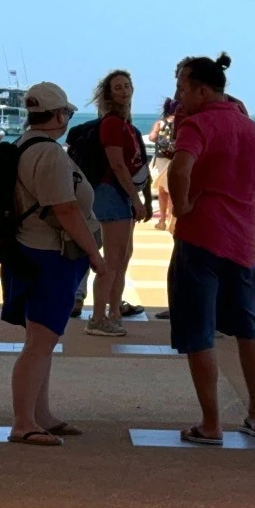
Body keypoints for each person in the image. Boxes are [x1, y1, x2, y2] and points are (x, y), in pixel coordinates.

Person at [167, 52, 255, 445]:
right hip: (243, 242)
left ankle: (211, 422)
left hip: (201, 238)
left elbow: (179, 168)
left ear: (201, 90)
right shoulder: (253, 131)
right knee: (249, 328)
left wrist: (181, 207)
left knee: (198, 330)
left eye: (182, 88)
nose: (178, 96)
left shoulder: (197, 125)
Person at [2, 82, 104, 446]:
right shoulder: (48, 153)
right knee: (39, 344)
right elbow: (66, 209)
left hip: (31, 250)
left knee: (40, 341)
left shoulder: (24, 145)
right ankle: (23, 422)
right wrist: (95, 253)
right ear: (59, 115)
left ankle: (39, 414)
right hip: (50, 255)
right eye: (68, 113)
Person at [86, 69, 150, 337]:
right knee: (112, 260)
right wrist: (136, 199)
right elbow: (117, 164)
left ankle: (113, 312)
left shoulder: (127, 125)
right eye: (118, 87)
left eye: (126, 86)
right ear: (108, 94)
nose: (124, 91)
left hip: (121, 195)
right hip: (111, 194)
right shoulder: (112, 124)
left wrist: (140, 198)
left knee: (122, 258)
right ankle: (98, 317)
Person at [149, 98, 178, 231]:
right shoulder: (181, 122)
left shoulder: (160, 123)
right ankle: (172, 221)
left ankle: (162, 220)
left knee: (162, 191)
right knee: (173, 191)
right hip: (174, 158)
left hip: (161, 160)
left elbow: (152, 137)